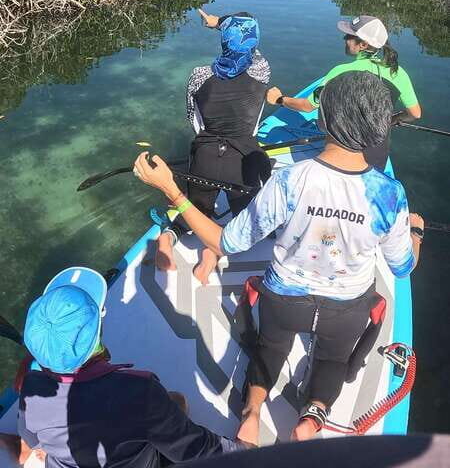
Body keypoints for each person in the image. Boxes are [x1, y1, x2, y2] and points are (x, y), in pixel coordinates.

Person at [134, 71, 424, 445]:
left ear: (325, 119)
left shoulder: (291, 181)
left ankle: (251, 415)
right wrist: (415, 233)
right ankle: (310, 420)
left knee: (269, 349)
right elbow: (403, 267)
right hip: (347, 308)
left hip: (285, 299)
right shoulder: (390, 194)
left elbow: (225, 241)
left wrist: (173, 190)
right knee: (333, 362)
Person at [17, 266, 244, 468]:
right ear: (97, 335)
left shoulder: (31, 388)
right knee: (177, 401)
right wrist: (243, 453)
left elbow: (32, 438)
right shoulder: (140, 391)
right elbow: (193, 448)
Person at [156, 8, 271, 283]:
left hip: (205, 156)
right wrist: (220, 23)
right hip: (243, 161)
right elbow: (251, 47)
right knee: (247, 220)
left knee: (195, 209)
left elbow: (193, 120)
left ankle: (166, 239)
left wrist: (217, 23)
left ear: (223, 41)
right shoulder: (262, 72)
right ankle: (213, 252)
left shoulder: (198, 75)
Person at [266, 15, 422, 170]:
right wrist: (392, 120)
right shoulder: (398, 73)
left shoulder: (340, 72)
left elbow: (307, 107)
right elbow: (415, 114)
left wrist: (280, 99)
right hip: (377, 156)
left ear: (363, 44)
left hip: (341, 156)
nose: (344, 39)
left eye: (348, 36)